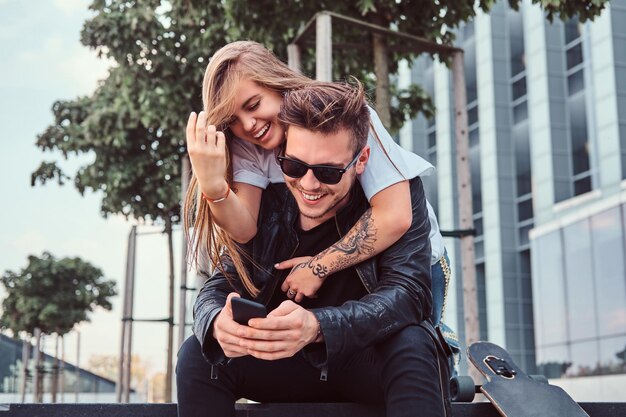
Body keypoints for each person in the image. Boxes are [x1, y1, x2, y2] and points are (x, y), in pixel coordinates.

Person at [177, 80, 451, 417]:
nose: (309, 184)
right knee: (198, 352)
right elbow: (221, 283)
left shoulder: (398, 193)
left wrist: (319, 326)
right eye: (294, 166)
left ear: (362, 159)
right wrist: (216, 320)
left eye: (328, 172)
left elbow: (410, 294)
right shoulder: (263, 202)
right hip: (285, 362)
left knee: (415, 344)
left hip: (363, 359)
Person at [182, 41, 454, 334]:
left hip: (404, 260)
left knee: (417, 341)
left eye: (253, 105)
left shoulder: (344, 118)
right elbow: (245, 228)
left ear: (278, 85)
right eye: (233, 119)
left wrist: (318, 267)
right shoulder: (248, 145)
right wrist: (213, 186)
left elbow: (395, 216)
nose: (248, 124)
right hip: (335, 264)